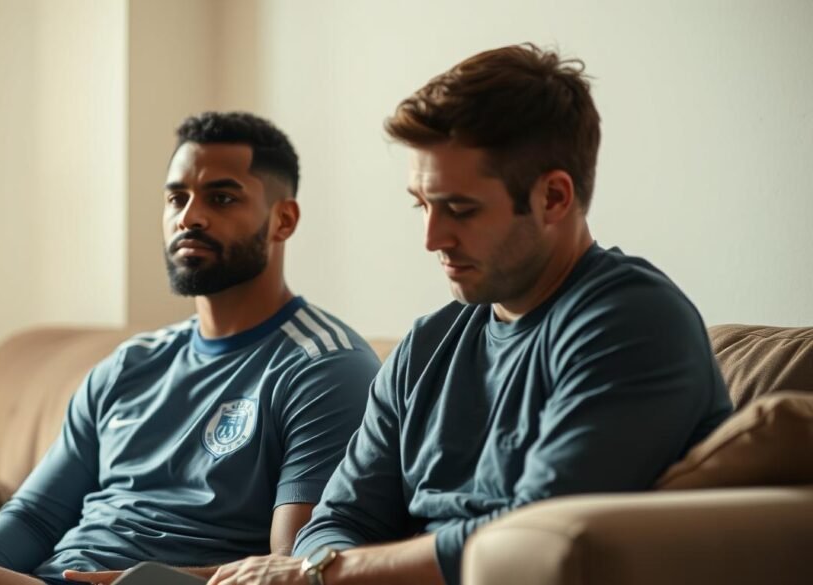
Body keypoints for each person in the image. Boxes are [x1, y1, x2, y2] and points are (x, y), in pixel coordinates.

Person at [208, 44, 733, 585]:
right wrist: (323, 567)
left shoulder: (633, 324)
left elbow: (531, 538)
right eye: (422, 204)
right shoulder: (428, 344)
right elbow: (339, 520)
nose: (432, 237)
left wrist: (322, 574)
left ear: (553, 198)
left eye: (460, 209)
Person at [0, 112, 381, 585]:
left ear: (283, 220)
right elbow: (35, 516)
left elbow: (290, 568)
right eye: (176, 198)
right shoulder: (130, 364)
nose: (190, 217)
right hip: (49, 576)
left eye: (221, 198)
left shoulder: (324, 367)